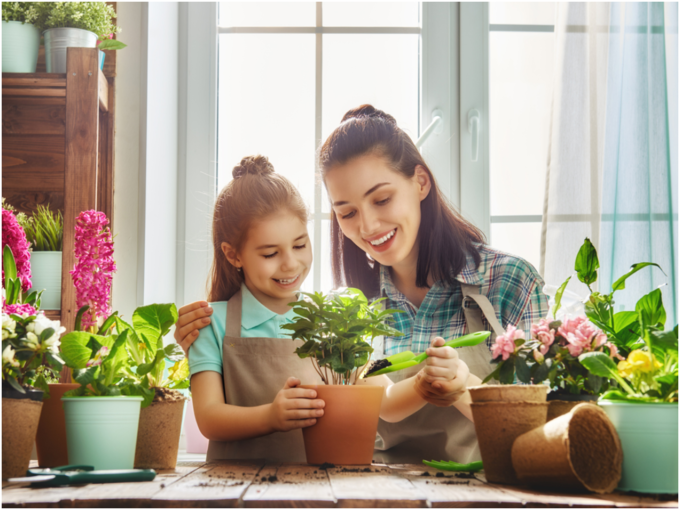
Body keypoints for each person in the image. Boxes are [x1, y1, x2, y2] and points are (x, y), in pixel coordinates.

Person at [177, 106, 549, 463]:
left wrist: (463, 386)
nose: (368, 226)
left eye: (382, 199)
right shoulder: (349, 310)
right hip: (372, 493)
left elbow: (539, 428)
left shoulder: (508, 282)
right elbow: (380, 402)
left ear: (420, 182)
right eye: (348, 212)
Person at [189, 154, 473, 463]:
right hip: (232, 490)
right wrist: (270, 417)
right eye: (270, 253)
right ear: (233, 255)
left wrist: (423, 382)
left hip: (315, 492)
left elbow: (386, 402)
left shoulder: (332, 321)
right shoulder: (210, 323)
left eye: (299, 245)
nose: (290, 264)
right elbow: (209, 418)